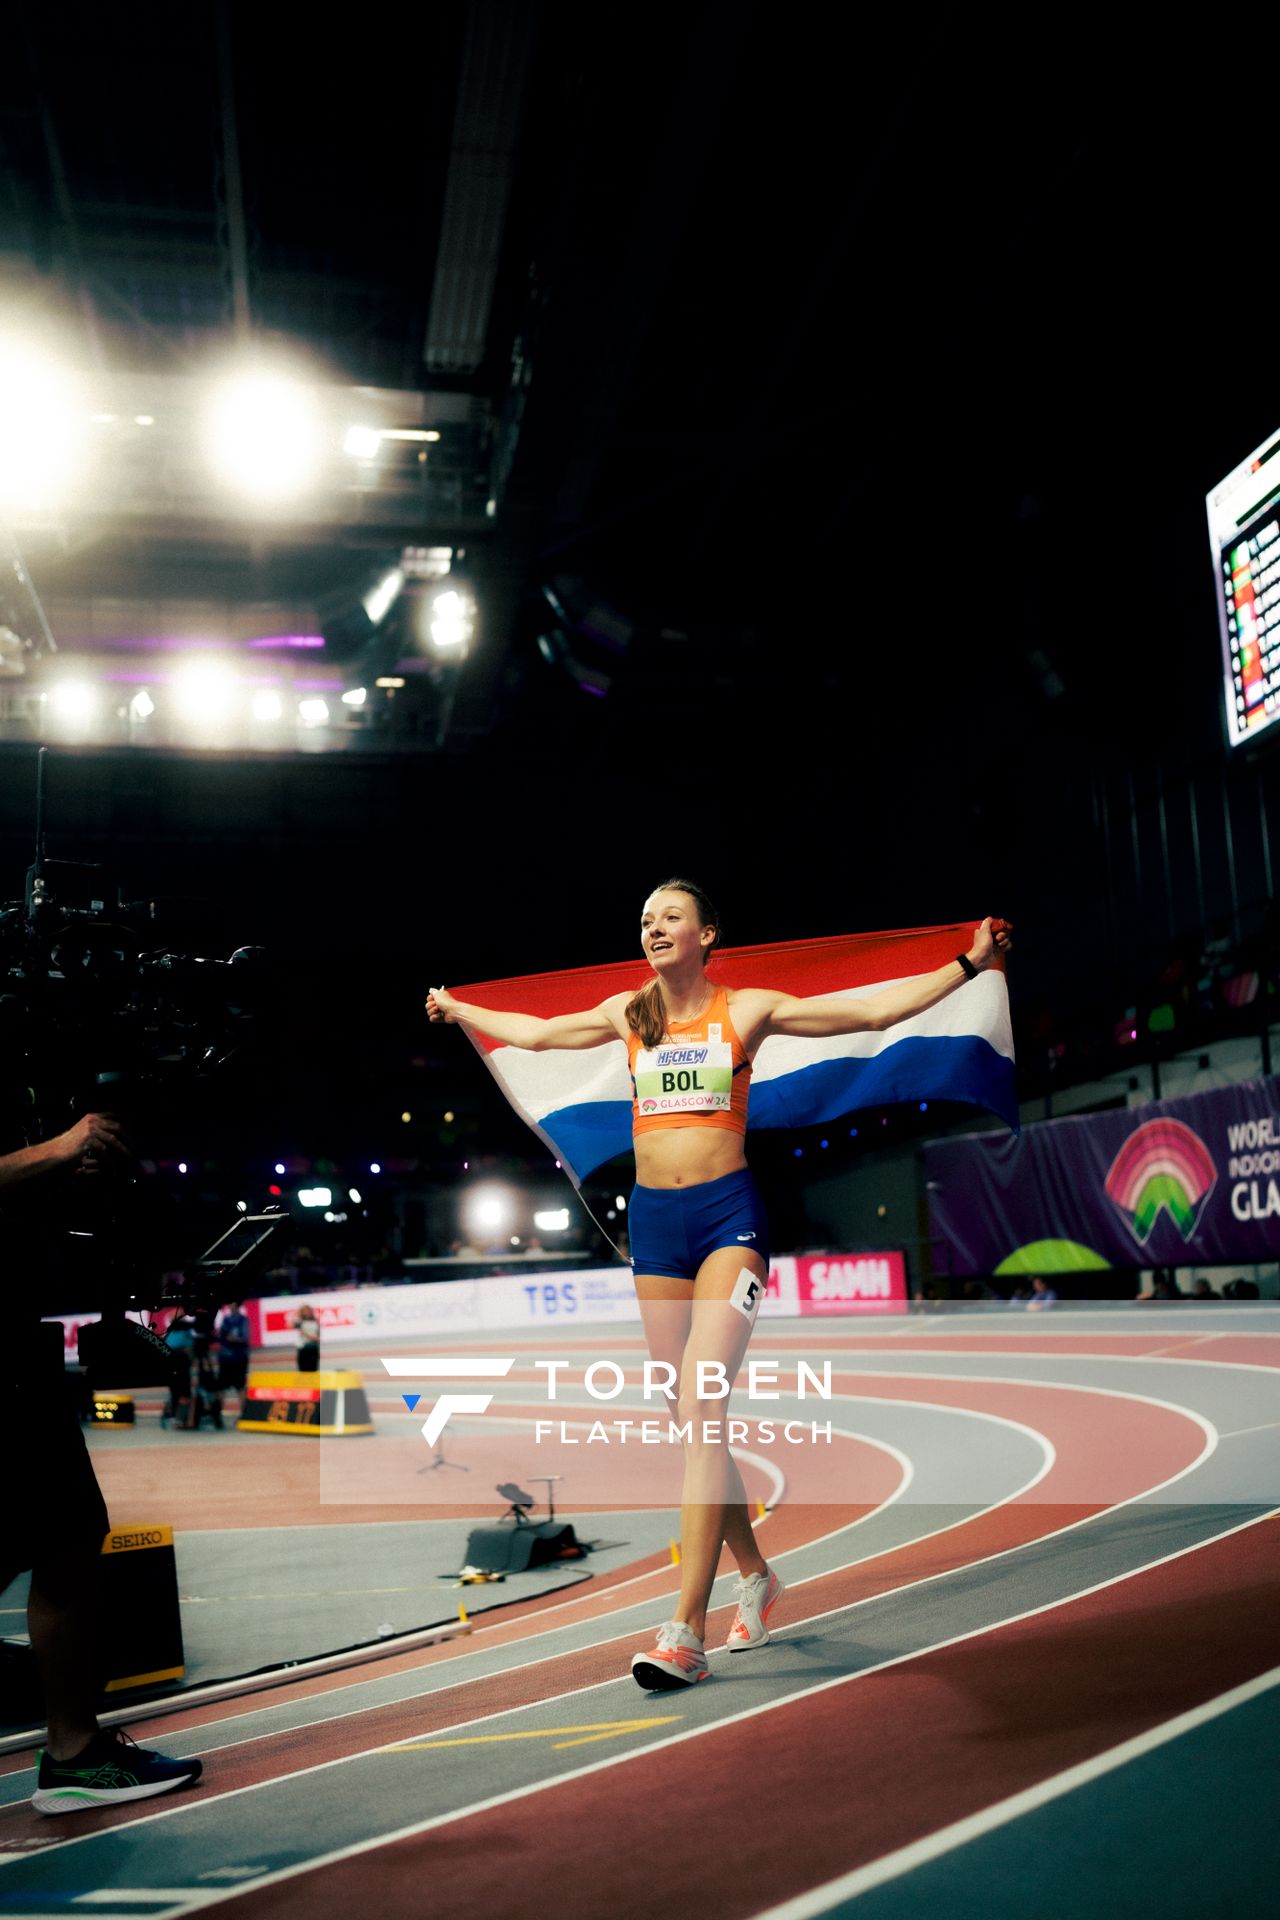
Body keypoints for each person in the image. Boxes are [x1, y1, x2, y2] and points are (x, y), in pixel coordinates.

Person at [428, 878, 1011, 1689]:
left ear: (708, 934)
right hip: (656, 1230)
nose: (653, 927)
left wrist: (967, 964)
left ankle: (683, 1630)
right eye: (645, 919)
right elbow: (534, 1033)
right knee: (689, 1417)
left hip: (728, 1220)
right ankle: (758, 1574)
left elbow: (871, 1014)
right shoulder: (628, 1014)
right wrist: (460, 1009)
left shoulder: (746, 1010)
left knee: (702, 1405)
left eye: (670, 916)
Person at [0, 1110, 202, 1813]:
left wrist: (54, 1169)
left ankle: (75, 1752)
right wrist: (56, 1149)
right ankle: (74, 1753)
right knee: (67, 1534)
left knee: (64, 1535)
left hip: (15, 1339)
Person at [216, 1299, 251, 1406]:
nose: (231, 1306)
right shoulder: (225, 1320)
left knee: (240, 1386)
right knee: (221, 1387)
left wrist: (232, 1339)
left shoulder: (243, 1320)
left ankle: (244, 1413)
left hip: (239, 1357)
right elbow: (221, 1337)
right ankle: (217, 1413)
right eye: (229, 1304)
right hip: (226, 1358)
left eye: (233, 1304)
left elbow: (245, 1339)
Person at [293, 1302, 321, 1371]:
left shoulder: (315, 1321)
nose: (306, 1313)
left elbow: (317, 1338)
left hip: (313, 1348)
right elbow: (289, 1325)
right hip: (302, 1349)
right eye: (304, 1311)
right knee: (303, 1370)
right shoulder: (301, 1322)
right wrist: (296, 1315)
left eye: (308, 1311)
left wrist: (305, 1334)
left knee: (312, 1370)